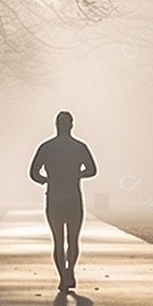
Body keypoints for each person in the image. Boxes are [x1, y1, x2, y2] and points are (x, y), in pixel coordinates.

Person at [29, 111, 98, 291]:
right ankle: (70, 272)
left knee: (58, 240)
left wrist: (45, 179)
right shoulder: (80, 147)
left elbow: (33, 173)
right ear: (72, 125)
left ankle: (62, 278)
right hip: (73, 199)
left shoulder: (46, 147)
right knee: (73, 239)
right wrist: (78, 174)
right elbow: (92, 170)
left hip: (54, 199)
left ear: (56, 125)